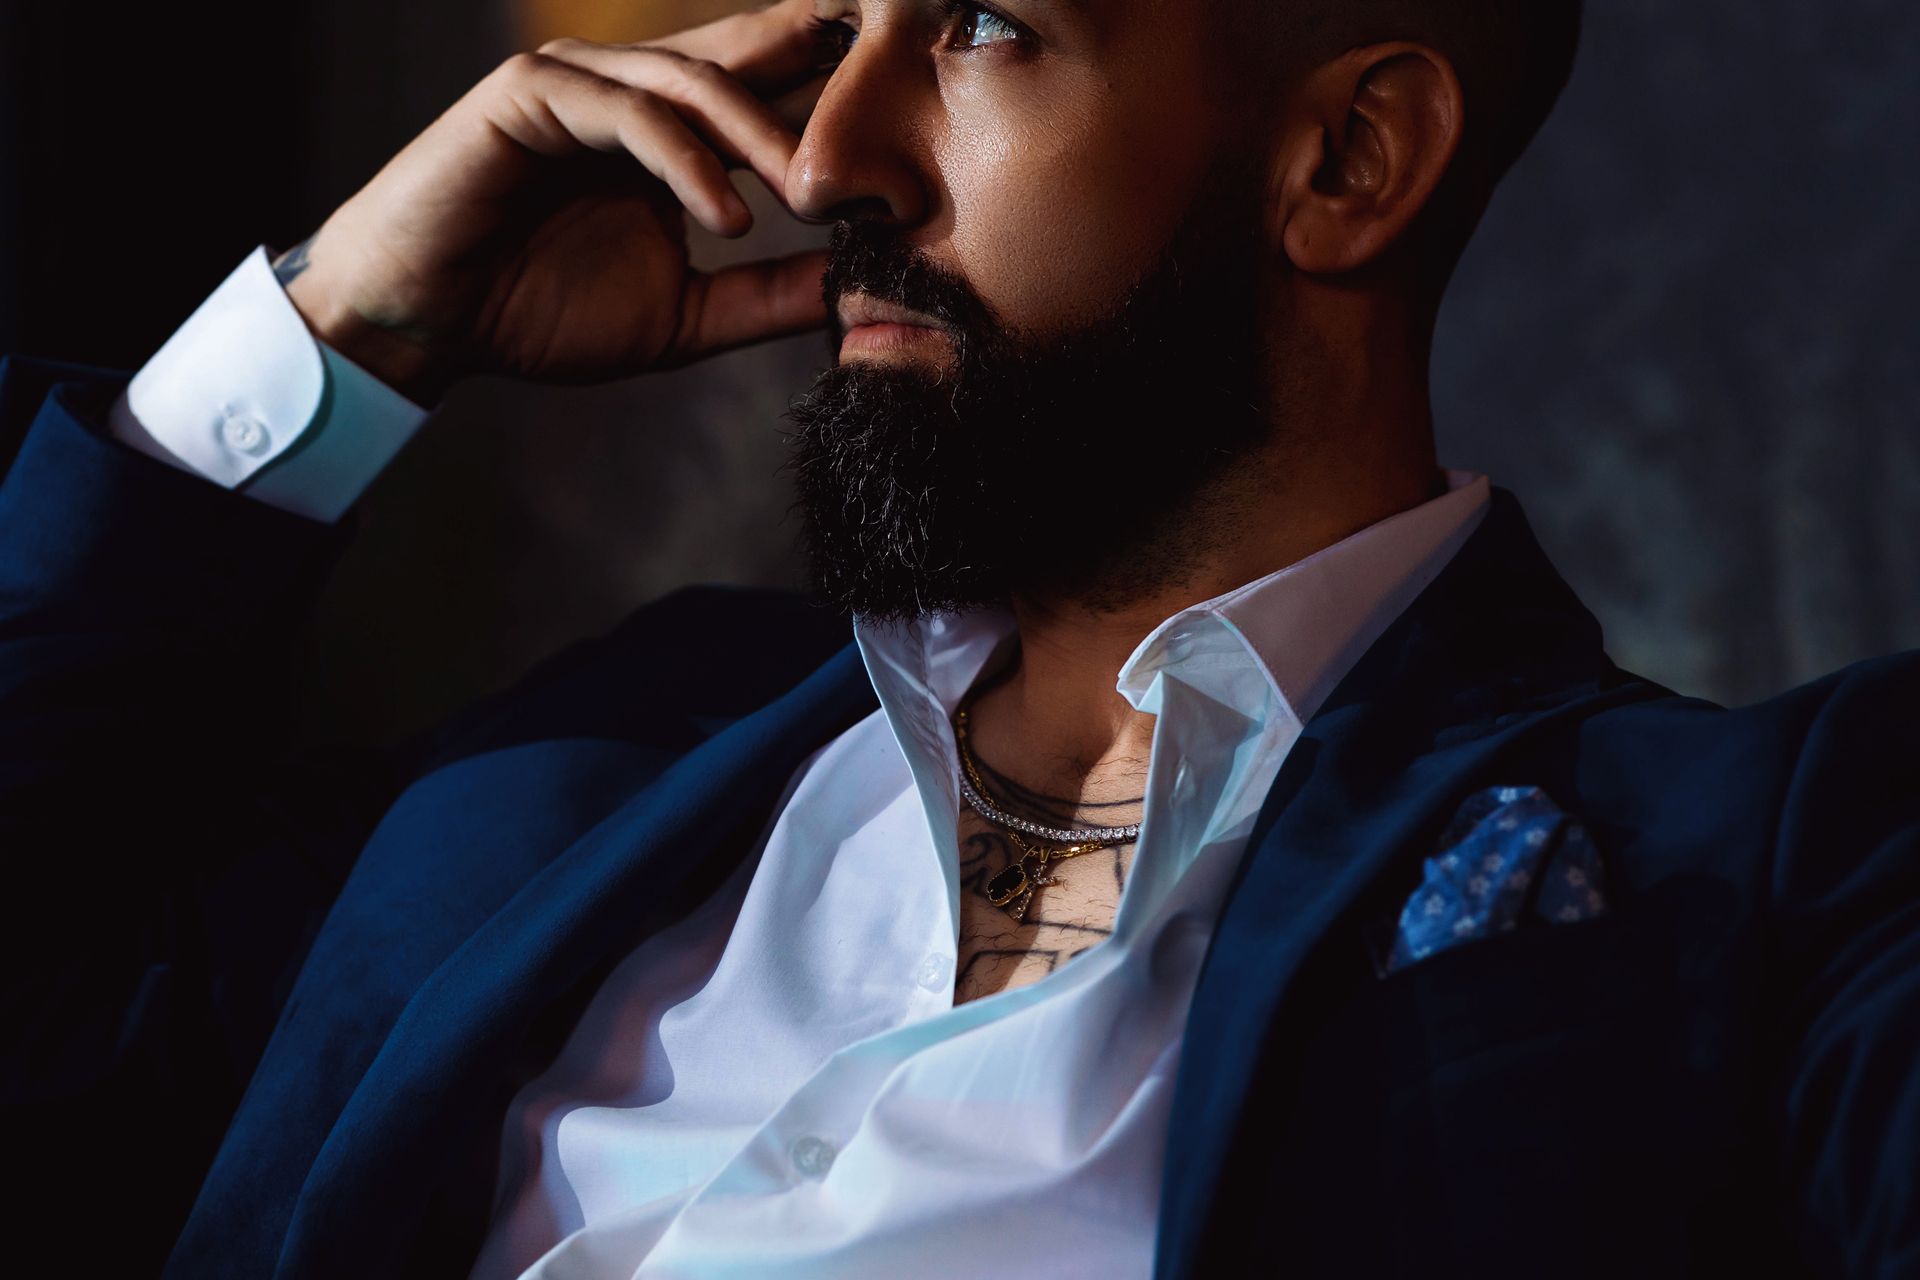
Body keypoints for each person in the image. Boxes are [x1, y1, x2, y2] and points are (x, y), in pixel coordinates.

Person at [1, 0, 1913, 1275]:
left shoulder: (1771, 867)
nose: (825, 162)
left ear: (1349, 159)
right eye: (847, 32)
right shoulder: (612, 746)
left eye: (984, 24)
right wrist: (344, 337)